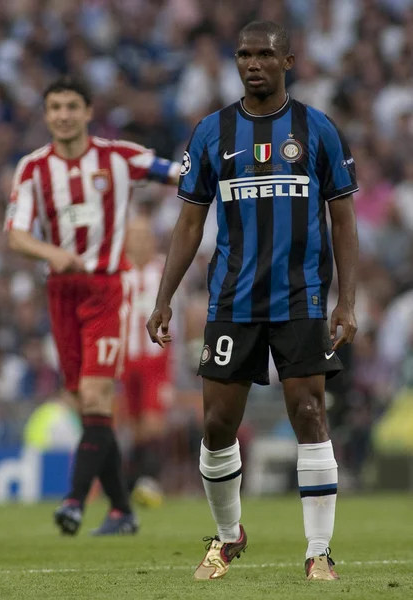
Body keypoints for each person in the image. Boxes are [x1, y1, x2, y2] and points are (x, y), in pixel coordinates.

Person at [147, 20, 358, 581]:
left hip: (302, 298)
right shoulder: (211, 132)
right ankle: (227, 536)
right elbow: (189, 225)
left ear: (288, 61)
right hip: (231, 300)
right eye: (243, 54)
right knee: (216, 425)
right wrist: (164, 297)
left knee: (310, 414)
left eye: (264, 54)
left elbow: (343, 221)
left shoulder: (317, 129)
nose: (252, 63)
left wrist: (348, 302)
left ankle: (318, 552)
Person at [5, 76, 180, 536]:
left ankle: (74, 501)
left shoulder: (117, 157)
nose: (62, 114)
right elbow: (16, 232)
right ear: (47, 115)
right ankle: (122, 511)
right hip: (61, 292)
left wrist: (222, 162)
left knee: (99, 397)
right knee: (87, 405)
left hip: (105, 288)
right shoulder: (33, 169)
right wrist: (51, 253)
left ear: (87, 112)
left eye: (71, 106)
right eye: (55, 107)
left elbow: (177, 173)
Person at [122, 216, 174, 507]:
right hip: (126, 359)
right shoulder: (118, 271)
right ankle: (136, 484)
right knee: (135, 427)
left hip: (156, 359)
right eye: (134, 235)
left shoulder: (163, 269)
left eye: (144, 235)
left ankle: (148, 482)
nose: (139, 241)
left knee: (154, 424)